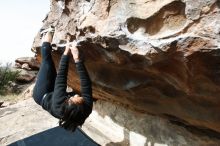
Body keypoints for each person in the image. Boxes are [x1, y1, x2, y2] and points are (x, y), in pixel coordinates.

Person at [33, 28, 93, 131]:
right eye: (80, 98)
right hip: (59, 98)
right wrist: (77, 59)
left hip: (43, 95)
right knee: (77, 93)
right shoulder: (86, 109)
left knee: (47, 62)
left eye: (73, 98)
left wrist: (66, 52)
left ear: (67, 102)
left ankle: (48, 31)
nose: (77, 95)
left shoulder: (58, 104)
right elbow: (86, 84)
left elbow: (61, 77)